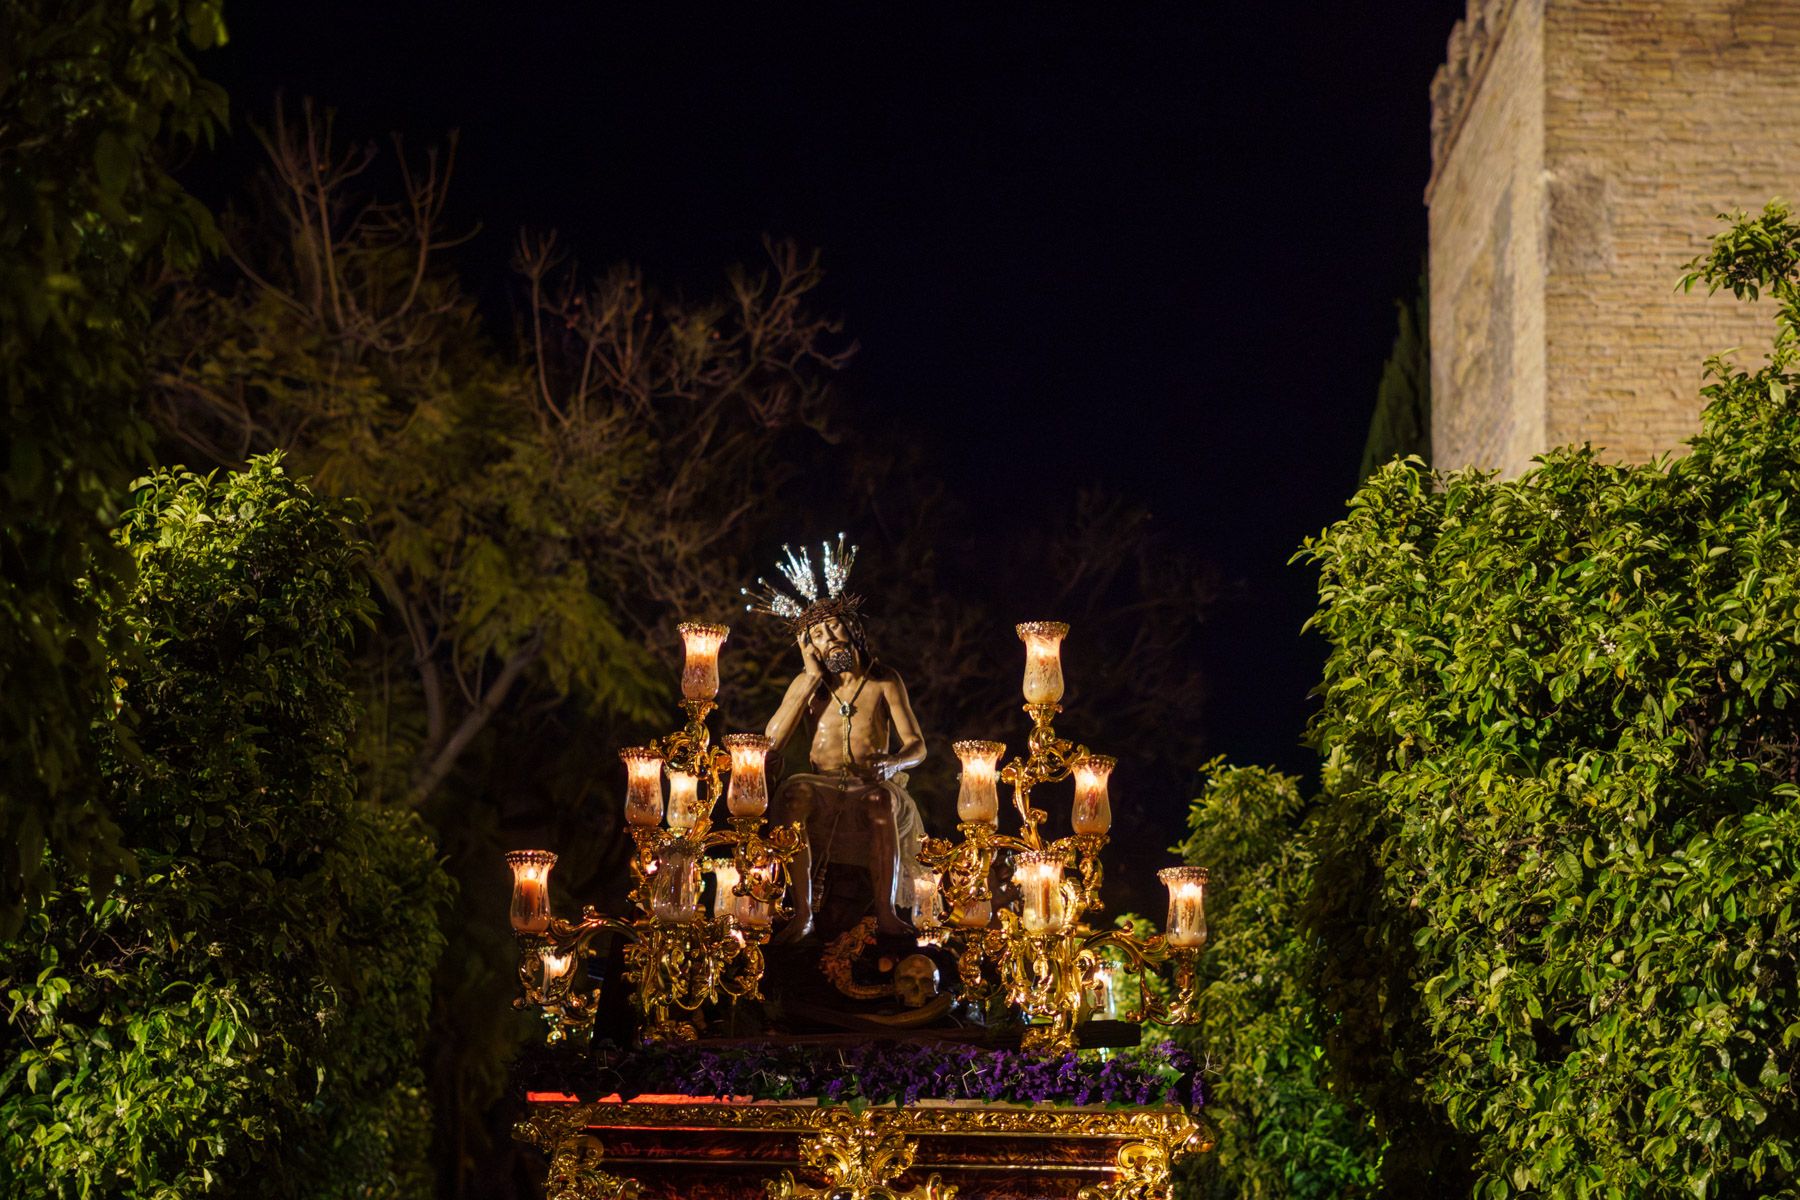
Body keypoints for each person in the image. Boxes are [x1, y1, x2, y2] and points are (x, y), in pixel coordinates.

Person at [744, 540, 928, 943]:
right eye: (817, 635)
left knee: (880, 801)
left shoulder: (883, 680)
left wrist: (894, 763)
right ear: (809, 647)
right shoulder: (810, 684)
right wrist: (810, 677)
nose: (829, 638)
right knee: (795, 793)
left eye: (833, 627)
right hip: (823, 783)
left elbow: (917, 746)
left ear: (851, 626)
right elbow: (770, 744)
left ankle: (885, 912)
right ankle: (803, 913)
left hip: (870, 782)